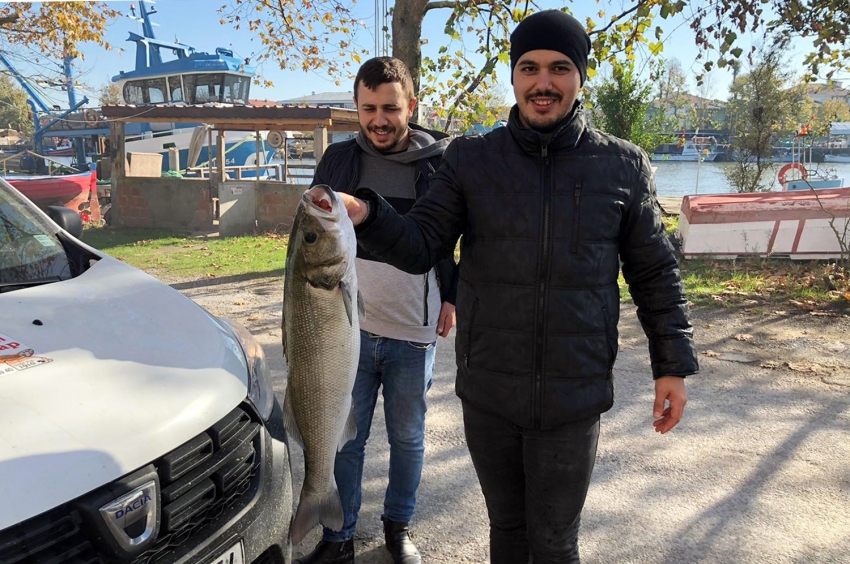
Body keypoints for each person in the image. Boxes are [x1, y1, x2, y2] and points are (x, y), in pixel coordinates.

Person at [337, 10, 699, 564]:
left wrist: (671, 365)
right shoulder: (471, 160)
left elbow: (654, 273)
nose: (543, 83)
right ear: (514, 76)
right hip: (490, 392)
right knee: (506, 531)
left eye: (559, 68)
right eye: (529, 68)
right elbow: (421, 243)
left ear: (580, 76)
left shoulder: (621, 166)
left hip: (573, 395)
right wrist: (368, 214)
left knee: (555, 542)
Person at [295, 57, 458, 564]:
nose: (379, 118)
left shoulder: (441, 163)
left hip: (413, 328)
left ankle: (398, 528)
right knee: (345, 439)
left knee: (408, 439)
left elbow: (452, 238)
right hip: (348, 333)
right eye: (368, 108)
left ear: (412, 105)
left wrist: (452, 295)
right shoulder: (338, 162)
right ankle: (337, 534)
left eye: (390, 107)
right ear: (357, 108)